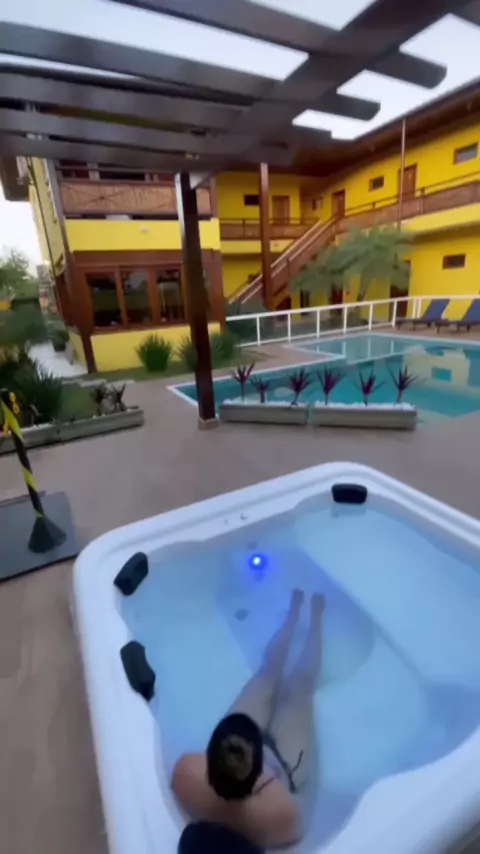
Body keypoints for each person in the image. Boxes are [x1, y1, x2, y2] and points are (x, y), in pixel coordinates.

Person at [172, 590, 324, 849]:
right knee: (301, 689)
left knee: (268, 675)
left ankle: (292, 617)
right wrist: (277, 774)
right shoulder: (283, 818)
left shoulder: (185, 775)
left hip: (253, 764)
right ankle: (313, 621)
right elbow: (303, 814)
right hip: (284, 766)